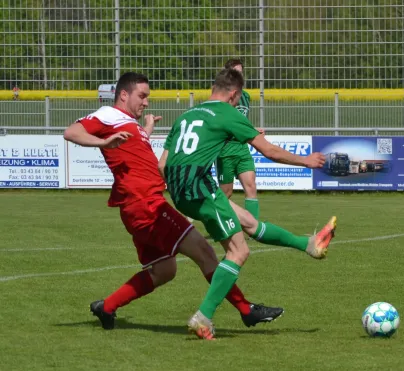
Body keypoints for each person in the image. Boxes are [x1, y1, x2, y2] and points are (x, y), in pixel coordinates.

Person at [63, 72, 284, 331]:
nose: (146, 102)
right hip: (147, 205)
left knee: (164, 270)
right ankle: (246, 310)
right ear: (124, 94)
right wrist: (103, 141)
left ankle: (107, 306)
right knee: (205, 252)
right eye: (142, 96)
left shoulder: (127, 123)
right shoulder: (108, 115)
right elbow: (71, 132)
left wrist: (145, 130)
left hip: (136, 206)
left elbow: (134, 154)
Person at [159, 68, 337, 340]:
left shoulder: (186, 116)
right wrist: (306, 161)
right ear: (233, 95)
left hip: (181, 190)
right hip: (201, 188)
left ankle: (308, 245)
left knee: (250, 223)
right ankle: (203, 315)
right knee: (239, 252)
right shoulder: (227, 112)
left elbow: (162, 164)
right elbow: (269, 150)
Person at [216, 59, 260, 219]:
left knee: (251, 186)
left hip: (241, 147)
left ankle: (253, 229)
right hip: (225, 149)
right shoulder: (221, 97)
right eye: (237, 72)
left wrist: (252, 129)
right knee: (225, 193)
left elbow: (241, 120)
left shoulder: (246, 96)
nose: (240, 75)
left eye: (241, 72)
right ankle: (217, 224)